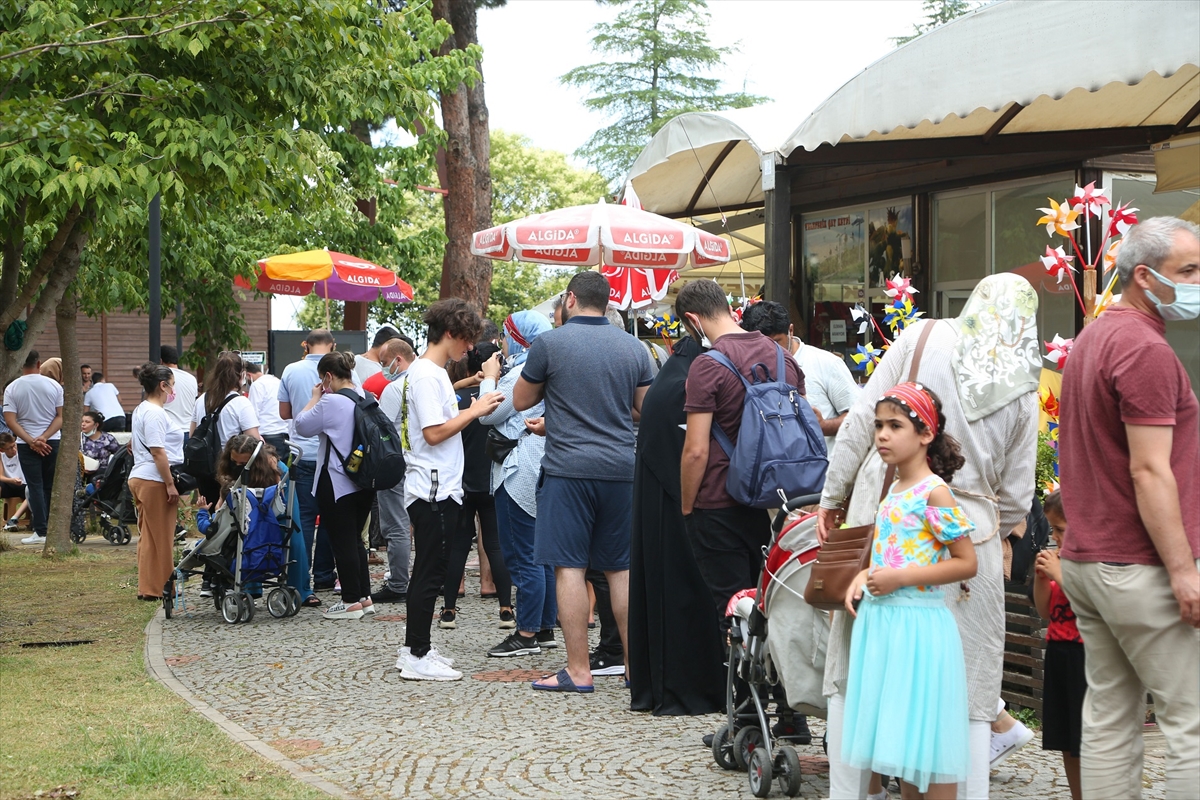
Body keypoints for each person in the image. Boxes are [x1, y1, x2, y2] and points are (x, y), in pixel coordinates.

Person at [818, 273, 1039, 800]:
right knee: (965, 687)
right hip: (976, 536)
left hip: (891, 515)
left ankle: (857, 791)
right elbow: (1017, 492)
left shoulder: (922, 336)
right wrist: (990, 523)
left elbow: (859, 424)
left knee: (863, 674)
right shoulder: (1023, 382)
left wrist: (832, 495)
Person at [1057, 216, 1200, 800]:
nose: (1196, 281)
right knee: (1191, 720)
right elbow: (1149, 469)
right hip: (1140, 564)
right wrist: (1184, 570)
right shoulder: (1145, 349)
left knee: (1110, 718)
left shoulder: (1095, 335)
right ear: (1145, 276)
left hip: (1091, 561)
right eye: (1188, 271)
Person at [678, 280, 807, 733]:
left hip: (720, 500)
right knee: (781, 607)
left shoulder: (707, 366)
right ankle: (792, 714)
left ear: (693, 320)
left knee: (734, 611)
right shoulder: (783, 358)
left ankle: (748, 720)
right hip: (783, 505)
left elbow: (695, 450)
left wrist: (688, 507)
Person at [514, 270, 653, 693]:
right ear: (607, 303)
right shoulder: (635, 348)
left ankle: (578, 671)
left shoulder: (550, 344)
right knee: (621, 570)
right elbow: (643, 410)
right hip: (620, 470)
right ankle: (634, 669)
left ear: (570, 299)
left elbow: (521, 400)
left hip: (567, 471)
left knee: (569, 568)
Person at [842, 383, 977, 799]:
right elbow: (891, 551)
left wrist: (900, 578)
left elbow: (966, 562)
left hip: (919, 629)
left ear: (925, 435)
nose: (882, 434)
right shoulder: (894, 490)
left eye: (895, 426)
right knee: (900, 740)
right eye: (879, 425)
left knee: (926, 738)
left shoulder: (933, 491)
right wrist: (864, 576)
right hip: (884, 627)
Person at [396, 300, 503, 681]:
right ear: (453, 334)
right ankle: (416, 655)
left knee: (429, 569)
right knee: (430, 572)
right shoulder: (427, 375)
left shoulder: (431, 372)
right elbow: (433, 432)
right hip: (433, 488)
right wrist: (474, 411)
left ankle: (416, 647)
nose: (471, 349)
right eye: (469, 340)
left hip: (435, 486)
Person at [628, 333, 727, 715]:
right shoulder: (690, 382)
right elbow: (695, 449)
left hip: (671, 503)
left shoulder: (670, 381)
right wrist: (689, 503)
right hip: (695, 504)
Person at [480, 311, 558, 657]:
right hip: (539, 464)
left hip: (517, 471)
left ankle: (525, 634)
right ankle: (542, 628)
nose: (502, 343)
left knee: (521, 553)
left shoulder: (522, 375)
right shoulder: (550, 369)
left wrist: (488, 377)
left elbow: (487, 413)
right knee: (541, 554)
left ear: (520, 338)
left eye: (506, 335)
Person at [436, 343, 515, 633]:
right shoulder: (498, 396)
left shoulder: (456, 396)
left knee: (457, 546)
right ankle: (506, 608)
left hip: (461, 480)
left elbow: (447, 393)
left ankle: (448, 609)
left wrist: (468, 382)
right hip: (491, 479)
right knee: (495, 545)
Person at [293, 350, 375, 620]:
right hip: (364, 479)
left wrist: (315, 398)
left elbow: (301, 426)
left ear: (328, 376)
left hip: (337, 480)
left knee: (343, 542)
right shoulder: (366, 398)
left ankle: (350, 600)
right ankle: (364, 596)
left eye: (322, 380)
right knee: (355, 540)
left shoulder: (331, 402)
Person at [196, 435, 318, 607]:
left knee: (293, 535)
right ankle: (250, 586)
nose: (237, 465)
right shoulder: (230, 467)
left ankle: (302, 590)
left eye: (242, 462)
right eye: (234, 462)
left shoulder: (270, 464)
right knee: (247, 533)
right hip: (246, 493)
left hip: (277, 486)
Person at [740, 300, 859, 451]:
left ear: (791, 331)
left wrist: (823, 426)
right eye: (760, 345)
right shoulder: (748, 369)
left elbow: (858, 416)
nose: (768, 351)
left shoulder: (826, 364)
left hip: (821, 470)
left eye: (776, 342)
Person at [279, 330, 340, 596]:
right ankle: (325, 575)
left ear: (306, 345)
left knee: (302, 519)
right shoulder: (340, 368)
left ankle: (300, 579)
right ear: (332, 345)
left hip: (301, 452)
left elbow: (284, 413)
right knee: (329, 518)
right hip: (332, 454)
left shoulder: (290, 370)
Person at [1032, 490, 1083, 800]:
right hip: (1059, 651)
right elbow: (1044, 611)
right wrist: (1041, 580)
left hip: (1085, 654)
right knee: (1066, 739)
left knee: (1085, 739)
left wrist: (1059, 575)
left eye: (1060, 529)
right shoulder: (1059, 559)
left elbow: (1091, 605)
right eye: (1052, 529)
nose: (1055, 536)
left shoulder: (1089, 563)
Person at [129, 363, 183, 600]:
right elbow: (158, 451)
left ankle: (149, 587)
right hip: (154, 479)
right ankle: (162, 587)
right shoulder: (155, 413)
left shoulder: (142, 409)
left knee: (150, 536)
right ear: (163, 385)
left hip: (143, 476)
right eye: (172, 385)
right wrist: (170, 483)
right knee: (162, 538)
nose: (173, 390)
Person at [372, 339, 418, 605]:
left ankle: (398, 582)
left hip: (397, 463)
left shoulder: (394, 388)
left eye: (383, 362)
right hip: (424, 461)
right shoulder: (430, 379)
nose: (383, 368)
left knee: (396, 525)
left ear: (397, 360)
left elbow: (382, 430)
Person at [2, 350, 63, 546]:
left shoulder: (12, 388)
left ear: (21, 364)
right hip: (52, 440)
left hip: (25, 442)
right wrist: (44, 437)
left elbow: (10, 421)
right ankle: (51, 529)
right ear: (39, 364)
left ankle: (40, 530)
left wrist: (30, 441)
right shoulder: (54, 385)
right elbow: (60, 416)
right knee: (49, 485)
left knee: (34, 486)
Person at [192, 351, 260, 505]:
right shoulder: (241, 403)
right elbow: (253, 441)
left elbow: (193, 434)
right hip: (231, 469)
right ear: (241, 375)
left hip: (204, 468)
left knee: (211, 516)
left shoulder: (202, 399)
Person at [245, 362, 289, 457]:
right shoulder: (278, 381)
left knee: (268, 470)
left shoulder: (257, 385)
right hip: (284, 434)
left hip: (267, 436)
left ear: (249, 375)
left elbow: (253, 413)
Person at [160, 346, 198, 441]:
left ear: (161, 361)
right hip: (188, 431)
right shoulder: (191, 378)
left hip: (168, 431)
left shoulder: (161, 377)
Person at [1, 432, 30, 531]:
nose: (13, 449)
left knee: (32, 491)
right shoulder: (1, 456)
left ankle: (13, 520)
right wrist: (11, 480)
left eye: (14, 446)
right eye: (9, 448)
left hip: (23, 484)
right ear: (2, 449)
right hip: (9, 483)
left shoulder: (20, 451)